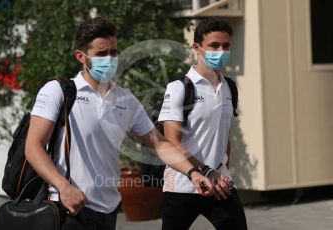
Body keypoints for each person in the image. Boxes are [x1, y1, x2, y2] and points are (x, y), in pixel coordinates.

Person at [24, 17, 216, 230]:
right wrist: (63, 187)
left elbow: (160, 144)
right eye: (101, 54)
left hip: (108, 210)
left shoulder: (126, 99)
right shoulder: (59, 91)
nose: (109, 59)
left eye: (113, 52)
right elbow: (33, 146)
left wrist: (193, 173)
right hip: (68, 207)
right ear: (81, 56)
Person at [158, 17, 248, 230]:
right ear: (197, 48)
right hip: (181, 186)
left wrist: (223, 171)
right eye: (214, 45)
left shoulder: (229, 88)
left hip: (219, 183)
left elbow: (225, 137)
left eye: (226, 46)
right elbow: (171, 142)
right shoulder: (179, 87)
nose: (221, 51)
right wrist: (206, 171)